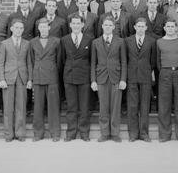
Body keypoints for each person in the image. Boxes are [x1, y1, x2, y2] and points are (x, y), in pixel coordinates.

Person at [91, 16, 127, 142]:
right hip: (101, 77)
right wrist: (93, 80)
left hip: (116, 77)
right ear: (102, 26)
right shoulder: (95, 42)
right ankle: (105, 133)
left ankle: (115, 133)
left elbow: (123, 61)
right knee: (103, 107)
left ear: (113, 27)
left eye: (109, 25)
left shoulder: (120, 41)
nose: (107, 27)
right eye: (105, 25)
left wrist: (123, 79)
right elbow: (93, 63)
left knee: (116, 107)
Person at [28, 18, 62, 142]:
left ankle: (55, 133)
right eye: (41, 27)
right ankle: (38, 133)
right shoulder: (32, 42)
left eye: (45, 26)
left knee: (53, 106)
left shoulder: (56, 41)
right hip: (38, 76)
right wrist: (32, 77)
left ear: (49, 28)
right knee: (38, 106)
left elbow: (59, 61)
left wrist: (53, 70)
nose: (43, 29)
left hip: (52, 76)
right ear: (38, 28)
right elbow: (31, 60)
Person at [130, 0, 166, 111]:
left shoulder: (162, 17)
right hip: (145, 50)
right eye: (150, 2)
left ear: (157, 4)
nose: (152, 4)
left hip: (158, 50)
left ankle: (159, 105)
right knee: (145, 78)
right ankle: (148, 105)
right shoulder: (141, 16)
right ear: (147, 3)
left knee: (159, 75)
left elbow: (164, 34)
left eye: (155, 2)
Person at [0, 19, 30, 142]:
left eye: (21, 28)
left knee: (21, 107)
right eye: (16, 27)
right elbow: (0, 63)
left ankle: (20, 133)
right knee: (8, 108)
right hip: (8, 78)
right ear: (11, 29)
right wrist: (1, 79)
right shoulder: (4, 44)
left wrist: (29, 79)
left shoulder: (27, 43)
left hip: (22, 77)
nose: (19, 30)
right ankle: (8, 134)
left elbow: (29, 63)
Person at [61, 14, 93, 142]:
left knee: (84, 107)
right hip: (69, 76)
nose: (75, 26)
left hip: (84, 76)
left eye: (78, 23)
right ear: (70, 25)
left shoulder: (89, 39)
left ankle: (84, 132)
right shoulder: (64, 40)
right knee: (71, 106)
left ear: (82, 25)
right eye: (73, 23)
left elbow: (91, 59)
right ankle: (71, 132)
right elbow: (62, 60)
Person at [124, 17, 157, 142]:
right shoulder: (127, 41)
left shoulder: (152, 41)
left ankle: (144, 133)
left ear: (146, 28)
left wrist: (147, 70)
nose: (141, 28)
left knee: (144, 106)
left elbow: (153, 60)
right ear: (134, 27)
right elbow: (125, 59)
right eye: (139, 26)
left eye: (143, 26)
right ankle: (133, 133)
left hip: (145, 76)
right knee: (132, 106)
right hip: (131, 76)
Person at [156, 19, 178, 143]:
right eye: (167, 26)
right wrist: (164, 71)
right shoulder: (159, 42)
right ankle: (164, 134)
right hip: (165, 73)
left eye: (172, 26)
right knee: (164, 105)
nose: (170, 28)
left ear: (176, 28)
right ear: (164, 28)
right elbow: (157, 61)